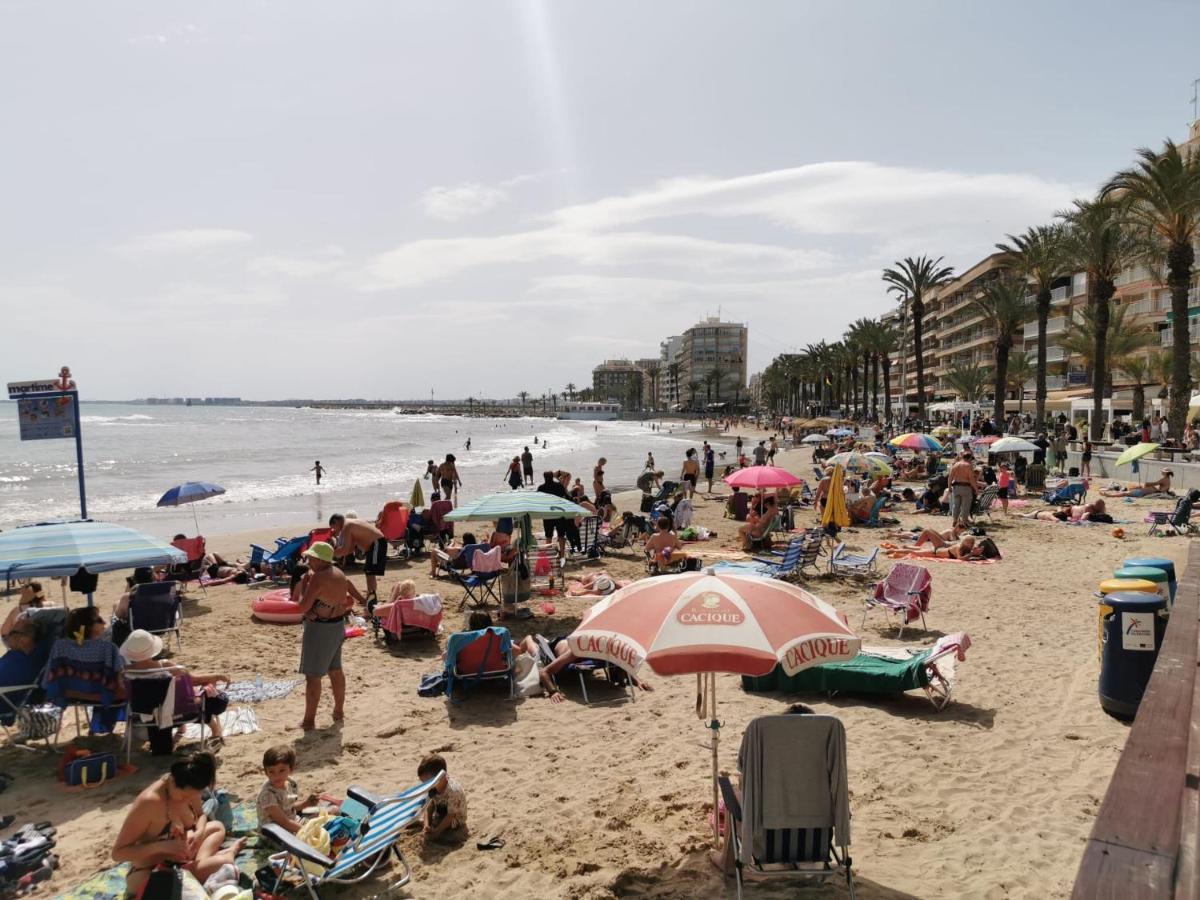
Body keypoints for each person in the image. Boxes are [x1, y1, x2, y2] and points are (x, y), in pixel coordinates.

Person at [113, 752, 245, 897]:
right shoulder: (150, 802)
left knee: (217, 826)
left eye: (192, 796)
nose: (186, 801)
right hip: (151, 870)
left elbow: (201, 815)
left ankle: (201, 865)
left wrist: (197, 833)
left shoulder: (191, 788)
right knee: (223, 862)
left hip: (182, 857)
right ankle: (216, 861)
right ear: (173, 781)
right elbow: (118, 853)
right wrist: (161, 846)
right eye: (184, 796)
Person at [293, 542, 362, 731]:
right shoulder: (339, 573)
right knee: (335, 671)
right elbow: (347, 600)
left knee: (313, 677)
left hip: (320, 629)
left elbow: (302, 607)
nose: (308, 561)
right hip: (337, 625)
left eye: (310, 558)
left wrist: (305, 585)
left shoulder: (317, 578)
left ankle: (308, 721)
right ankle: (338, 711)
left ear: (319, 559)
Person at [119, 630, 230, 745]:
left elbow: (123, 694)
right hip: (176, 715)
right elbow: (194, 680)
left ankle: (182, 728)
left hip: (142, 718)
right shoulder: (164, 666)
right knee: (190, 698)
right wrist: (216, 676)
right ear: (152, 649)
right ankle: (215, 731)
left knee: (164, 696)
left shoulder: (124, 673)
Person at [257, 745, 318, 835]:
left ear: (291, 769)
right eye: (271, 771)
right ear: (266, 772)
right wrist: (308, 831)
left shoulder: (289, 783)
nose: (276, 776)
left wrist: (306, 803)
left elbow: (289, 807)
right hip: (276, 833)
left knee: (333, 812)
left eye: (282, 771)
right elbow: (284, 822)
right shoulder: (268, 795)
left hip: (292, 822)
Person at [328, 513, 387, 600]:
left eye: (333, 527)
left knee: (370, 572)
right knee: (369, 572)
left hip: (377, 543)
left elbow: (345, 549)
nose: (334, 530)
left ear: (336, 522)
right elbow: (349, 549)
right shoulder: (350, 523)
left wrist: (328, 554)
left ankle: (372, 597)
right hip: (376, 543)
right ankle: (371, 594)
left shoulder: (346, 526)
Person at [417, 754, 467, 841]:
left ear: (442, 776)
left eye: (429, 782)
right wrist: (426, 824)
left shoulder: (453, 791)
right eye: (424, 783)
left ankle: (434, 827)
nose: (427, 786)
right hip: (440, 813)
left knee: (446, 835)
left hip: (455, 819)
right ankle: (424, 823)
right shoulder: (432, 788)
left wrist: (437, 832)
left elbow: (451, 816)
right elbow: (428, 807)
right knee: (430, 822)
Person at [537, 471, 575, 555]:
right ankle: (562, 554)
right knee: (561, 535)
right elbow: (565, 497)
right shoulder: (559, 486)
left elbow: (538, 501)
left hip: (547, 515)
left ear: (544, 478)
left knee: (548, 536)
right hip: (559, 514)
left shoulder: (541, 488)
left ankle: (550, 553)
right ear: (552, 477)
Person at [947, 452, 978, 528]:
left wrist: (949, 486)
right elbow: (971, 479)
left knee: (956, 505)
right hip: (965, 487)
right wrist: (976, 489)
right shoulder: (968, 465)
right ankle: (964, 522)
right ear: (969, 458)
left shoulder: (956, 464)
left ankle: (955, 520)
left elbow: (950, 476)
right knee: (965, 505)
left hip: (956, 487)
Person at [1101, 470, 1174, 498]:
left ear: (1165, 473)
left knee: (1125, 493)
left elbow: (1155, 483)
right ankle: (1112, 493)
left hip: (1145, 491)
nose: (1161, 471)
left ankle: (1110, 495)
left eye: (1163, 471)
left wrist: (1146, 483)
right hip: (1149, 491)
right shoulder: (1167, 479)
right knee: (1126, 492)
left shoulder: (1164, 479)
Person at [1022, 499, 1107, 522]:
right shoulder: (1089, 508)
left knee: (1057, 513)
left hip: (1038, 514)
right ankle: (1058, 507)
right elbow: (1083, 518)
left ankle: (1021, 514)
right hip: (1071, 510)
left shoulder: (1095, 508)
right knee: (1059, 512)